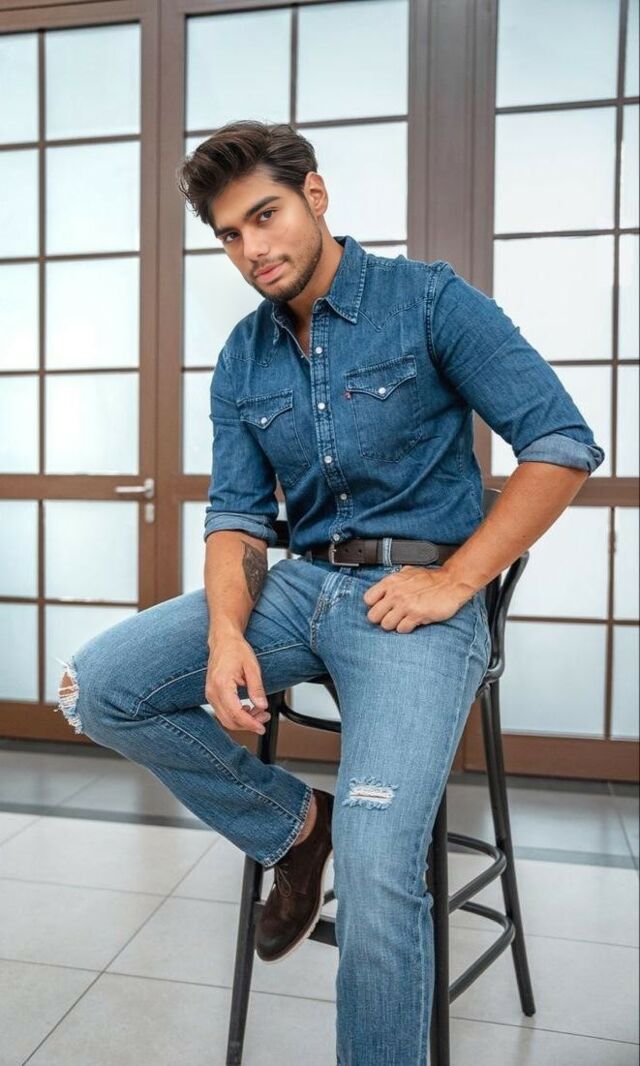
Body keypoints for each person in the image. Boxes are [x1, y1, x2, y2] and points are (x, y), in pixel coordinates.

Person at [55, 119, 605, 1065]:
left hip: (415, 606)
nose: (252, 249)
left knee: (383, 859)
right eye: (230, 234)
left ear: (315, 195)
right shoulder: (243, 356)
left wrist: (456, 579)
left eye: (265, 216)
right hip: (300, 585)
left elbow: (561, 444)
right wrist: (227, 635)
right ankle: (293, 826)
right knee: (96, 686)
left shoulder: (429, 300)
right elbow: (236, 519)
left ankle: (342, 848)